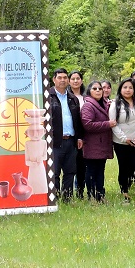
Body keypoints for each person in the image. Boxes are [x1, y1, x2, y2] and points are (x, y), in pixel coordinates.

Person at [110, 77, 135, 204]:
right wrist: (124, 138)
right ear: (120, 89)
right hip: (121, 143)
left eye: (130, 87)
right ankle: (125, 194)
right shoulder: (115, 104)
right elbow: (113, 124)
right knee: (124, 168)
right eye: (125, 87)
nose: (127, 90)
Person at [48, 68, 84, 202]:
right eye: (59, 77)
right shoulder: (47, 96)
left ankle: (67, 198)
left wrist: (79, 137)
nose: (62, 80)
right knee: (55, 172)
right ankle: (55, 198)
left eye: (64, 77)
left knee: (70, 172)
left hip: (71, 141)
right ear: (54, 79)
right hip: (55, 141)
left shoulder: (72, 98)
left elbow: (77, 120)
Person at [80, 79, 115, 203]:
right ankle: (91, 196)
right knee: (91, 172)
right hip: (92, 145)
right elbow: (87, 124)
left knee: (100, 171)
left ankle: (100, 195)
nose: (98, 91)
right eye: (95, 89)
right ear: (89, 91)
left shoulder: (105, 104)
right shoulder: (88, 105)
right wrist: (107, 124)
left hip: (102, 144)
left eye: (100, 88)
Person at [69, 71, 88, 200]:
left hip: (86, 135)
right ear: (69, 81)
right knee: (70, 165)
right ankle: (67, 191)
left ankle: (80, 191)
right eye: (73, 79)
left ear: (81, 81)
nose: (75, 81)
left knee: (82, 165)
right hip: (71, 135)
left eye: (78, 78)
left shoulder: (86, 97)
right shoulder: (66, 97)